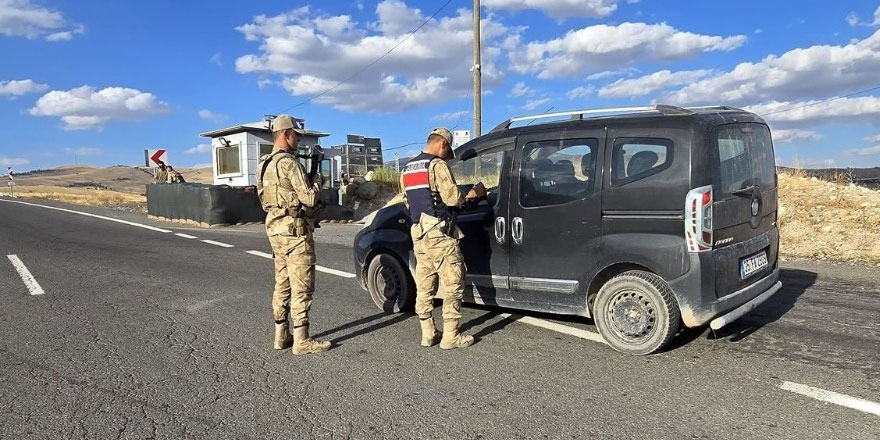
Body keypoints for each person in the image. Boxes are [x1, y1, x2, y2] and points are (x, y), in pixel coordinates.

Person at [400, 127, 486, 349]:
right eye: (448, 152)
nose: (447, 156)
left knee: (425, 286)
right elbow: (452, 199)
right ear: (443, 144)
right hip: (439, 234)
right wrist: (472, 195)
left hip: (419, 233)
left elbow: (407, 202)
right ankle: (451, 336)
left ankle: (428, 333)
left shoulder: (407, 168)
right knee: (453, 283)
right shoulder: (437, 165)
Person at [256, 114, 331, 355]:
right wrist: (317, 179)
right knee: (302, 285)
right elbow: (309, 197)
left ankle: (281, 334)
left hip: (275, 230)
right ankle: (302, 339)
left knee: (282, 283)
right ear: (286, 134)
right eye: (296, 136)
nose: (298, 141)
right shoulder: (289, 163)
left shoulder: (264, 164)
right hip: (295, 231)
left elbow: (263, 199)